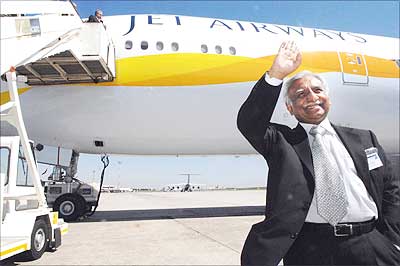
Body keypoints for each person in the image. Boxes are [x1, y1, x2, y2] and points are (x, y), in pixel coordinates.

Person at [237, 40, 400, 266]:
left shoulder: (365, 138)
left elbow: (390, 189)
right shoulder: (281, 141)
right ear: (290, 108)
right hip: (310, 249)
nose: (311, 97)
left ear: (328, 98)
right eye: (300, 94)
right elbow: (249, 122)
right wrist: (276, 74)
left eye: (317, 90)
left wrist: (392, 239)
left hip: (370, 244)